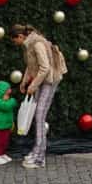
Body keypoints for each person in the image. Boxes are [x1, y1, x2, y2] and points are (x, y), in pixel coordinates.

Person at [10, 24, 67, 169]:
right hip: (42, 80)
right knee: (38, 115)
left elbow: (45, 68)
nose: (14, 43)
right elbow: (31, 66)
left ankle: (39, 157)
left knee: (39, 116)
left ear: (20, 36)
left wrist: (33, 85)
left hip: (49, 80)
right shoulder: (29, 45)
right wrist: (24, 82)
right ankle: (36, 151)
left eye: (14, 40)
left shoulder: (37, 44)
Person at [0, 79, 17, 166]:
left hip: (6, 126)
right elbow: (7, 106)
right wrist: (12, 100)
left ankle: (2, 154)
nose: (9, 90)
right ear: (1, 91)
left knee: (5, 141)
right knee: (0, 142)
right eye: (7, 89)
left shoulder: (5, 100)